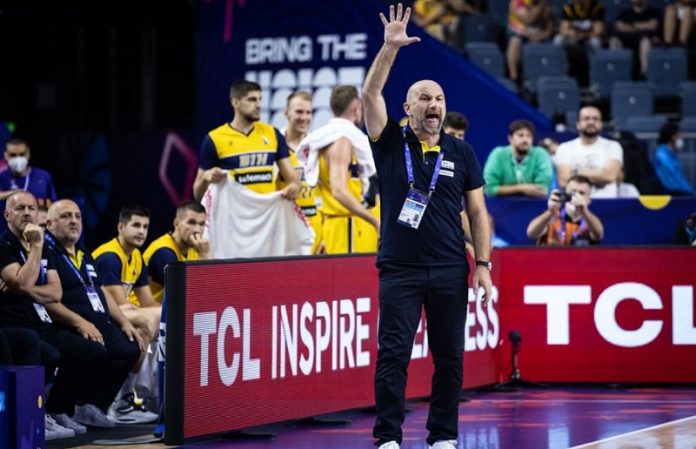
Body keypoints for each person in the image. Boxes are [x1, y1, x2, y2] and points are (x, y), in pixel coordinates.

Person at [362, 5, 492, 449]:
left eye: (438, 99)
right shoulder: (389, 141)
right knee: (394, 355)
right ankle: (388, 438)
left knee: (450, 360)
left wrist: (483, 264)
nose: (433, 105)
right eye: (424, 98)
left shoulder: (461, 151)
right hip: (400, 268)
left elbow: (478, 212)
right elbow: (370, 95)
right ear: (407, 107)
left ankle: (443, 437)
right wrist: (389, 49)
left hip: (450, 268)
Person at [44, 199, 145, 428]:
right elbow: (46, 300)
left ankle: (90, 406)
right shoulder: (46, 252)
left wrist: (124, 322)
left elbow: (100, 290)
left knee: (129, 347)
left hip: (96, 323)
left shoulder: (82, 251)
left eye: (77, 216)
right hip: (64, 325)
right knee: (92, 351)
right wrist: (79, 322)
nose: (73, 221)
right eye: (65, 216)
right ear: (49, 224)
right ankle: (58, 408)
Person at [92, 205, 162, 423]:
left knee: (164, 316)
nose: (141, 231)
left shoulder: (136, 256)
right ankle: (123, 399)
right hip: (98, 312)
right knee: (146, 322)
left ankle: (147, 396)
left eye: (145, 227)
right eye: (136, 225)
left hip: (122, 311)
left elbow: (147, 301)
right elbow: (117, 305)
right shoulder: (109, 257)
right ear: (121, 227)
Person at [296, 85, 380, 254]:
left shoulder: (324, 136)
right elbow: (339, 191)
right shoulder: (341, 140)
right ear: (356, 109)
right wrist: (374, 221)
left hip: (339, 223)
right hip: (348, 225)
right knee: (354, 273)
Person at [192, 79, 300, 202]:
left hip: (266, 212)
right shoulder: (214, 139)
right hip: (233, 212)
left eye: (260, 99)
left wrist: (294, 188)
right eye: (252, 100)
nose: (258, 105)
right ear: (235, 102)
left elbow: (294, 181)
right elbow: (197, 195)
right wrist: (205, 178)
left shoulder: (273, 134)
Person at [279, 91, 324, 254]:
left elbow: (327, 191)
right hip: (285, 229)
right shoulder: (274, 146)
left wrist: (326, 236)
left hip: (316, 230)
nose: (304, 117)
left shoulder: (318, 146)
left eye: (308, 112)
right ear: (286, 113)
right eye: (299, 112)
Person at [143, 201, 210, 303]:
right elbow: (186, 292)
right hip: (142, 308)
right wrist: (203, 255)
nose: (197, 229)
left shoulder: (194, 248)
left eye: (202, 224)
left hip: (166, 308)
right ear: (176, 223)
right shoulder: (163, 252)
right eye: (191, 222)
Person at [555, 105, 623, 198]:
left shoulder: (613, 146)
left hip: (606, 202)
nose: (591, 122)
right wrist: (600, 174)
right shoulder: (564, 148)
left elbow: (609, 176)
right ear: (578, 124)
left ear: (601, 124)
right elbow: (563, 181)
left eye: (595, 119)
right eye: (586, 119)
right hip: (574, 202)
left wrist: (576, 173)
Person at [526, 174, 604, 245]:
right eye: (572, 192)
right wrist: (550, 212)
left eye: (581, 193)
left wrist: (584, 211)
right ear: (564, 194)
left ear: (589, 199)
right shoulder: (551, 218)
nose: (576, 196)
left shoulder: (590, 223)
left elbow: (598, 234)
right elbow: (531, 233)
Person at [483, 119, 553, 197]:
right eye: (520, 135)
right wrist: (521, 188)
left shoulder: (540, 154)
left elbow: (543, 189)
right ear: (510, 138)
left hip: (534, 203)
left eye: (529, 136)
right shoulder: (498, 154)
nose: (525, 140)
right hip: (501, 203)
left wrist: (504, 189)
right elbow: (489, 188)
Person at [553, 0, 606, 86]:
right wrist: (574, 34)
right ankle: (562, 76)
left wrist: (584, 35)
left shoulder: (596, 9)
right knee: (558, 39)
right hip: (573, 38)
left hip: (588, 39)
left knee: (596, 42)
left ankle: (594, 80)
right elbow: (563, 30)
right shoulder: (569, 9)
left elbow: (599, 31)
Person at [506, 0, 555, 82]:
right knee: (514, 42)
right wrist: (539, 7)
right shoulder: (517, 2)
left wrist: (541, 35)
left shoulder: (543, 3)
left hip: (537, 34)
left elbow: (550, 26)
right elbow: (528, 19)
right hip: (518, 33)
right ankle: (514, 77)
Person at [610, 0, 662, 78]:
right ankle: (618, 73)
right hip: (626, 40)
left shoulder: (653, 13)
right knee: (614, 41)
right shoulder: (624, 13)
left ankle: (644, 75)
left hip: (645, 40)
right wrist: (644, 25)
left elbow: (653, 26)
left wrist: (631, 25)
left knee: (645, 42)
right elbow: (619, 26)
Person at [0, 138, 57, 207]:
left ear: (28, 153)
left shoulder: (43, 176)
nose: (18, 158)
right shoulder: (2, 177)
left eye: (22, 154)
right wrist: (14, 193)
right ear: (5, 155)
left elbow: (53, 203)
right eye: (13, 155)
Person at [653, 122, 695, 196]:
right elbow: (671, 183)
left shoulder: (671, 155)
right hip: (676, 196)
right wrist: (689, 193)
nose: (681, 139)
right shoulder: (662, 157)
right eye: (679, 135)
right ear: (672, 136)